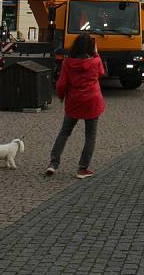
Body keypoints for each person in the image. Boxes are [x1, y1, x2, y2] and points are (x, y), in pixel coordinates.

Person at [44, 33, 105, 179]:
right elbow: (101, 73)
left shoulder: (67, 63)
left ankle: (53, 163)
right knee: (90, 136)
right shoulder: (95, 61)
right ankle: (82, 168)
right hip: (92, 101)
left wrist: (61, 96)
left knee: (64, 133)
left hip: (74, 101)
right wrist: (96, 53)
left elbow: (61, 83)